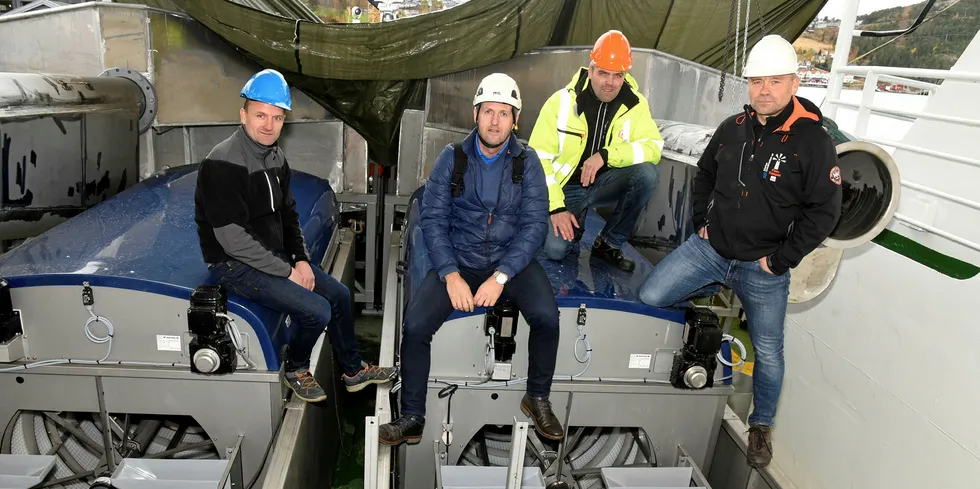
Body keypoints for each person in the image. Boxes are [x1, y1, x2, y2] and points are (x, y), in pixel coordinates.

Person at [637, 35, 842, 468]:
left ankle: (761, 426)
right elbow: (704, 174)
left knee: (769, 351)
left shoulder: (813, 142)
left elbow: (824, 211)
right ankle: (704, 318)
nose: (764, 90)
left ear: (794, 83)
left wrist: (782, 259)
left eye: (774, 81)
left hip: (763, 267)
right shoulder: (732, 129)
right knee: (651, 297)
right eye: (756, 81)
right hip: (711, 250)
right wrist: (701, 224)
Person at [378, 73, 563, 446]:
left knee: (547, 317)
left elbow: (533, 225)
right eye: (488, 112)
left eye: (504, 114)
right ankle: (413, 415)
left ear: (515, 120)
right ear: (475, 114)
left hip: (510, 261)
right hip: (460, 259)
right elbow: (432, 218)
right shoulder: (452, 159)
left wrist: (502, 275)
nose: (495, 121)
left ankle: (537, 397)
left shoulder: (528, 163)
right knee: (415, 327)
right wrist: (450, 274)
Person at [194, 69, 397, 403]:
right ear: (243, 114)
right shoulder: (223, 163)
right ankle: (296, 367)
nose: (268, 125)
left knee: (341, 295)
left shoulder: (275, 157)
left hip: (274, 256)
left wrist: (301, 259)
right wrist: (288, 272)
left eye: (277, 117)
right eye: (260, 115)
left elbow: (288, 215)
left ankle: (352, 371)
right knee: (317, 311)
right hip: (234, 265)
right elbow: (231, 240)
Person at [529, 30, 664, 273]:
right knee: (556, 250)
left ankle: (608, 243)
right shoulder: (560, 103)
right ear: (590, 71)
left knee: (647, 175)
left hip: (605, 182)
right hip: (565, 189)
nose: (609, 82)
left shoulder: (635, 104)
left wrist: (606, 155)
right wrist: (557, 208)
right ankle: (572, 219)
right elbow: (538, 159)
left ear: (625, 75)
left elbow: (653, 147)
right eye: (603, 73)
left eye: (617, 75)